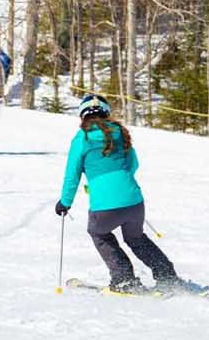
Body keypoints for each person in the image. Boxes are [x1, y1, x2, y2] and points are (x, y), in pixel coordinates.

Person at [55, 94, 184, 294]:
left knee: (99, 233)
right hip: (134, 201)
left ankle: (124, 279)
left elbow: (72, 175)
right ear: (106, 113)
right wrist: (116, 183)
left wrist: (65, 202)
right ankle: (167, 276)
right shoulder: (121, 133)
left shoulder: (82, 138)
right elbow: (133, 165)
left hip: (105, 207)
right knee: (136, 238)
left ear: (83, 116)